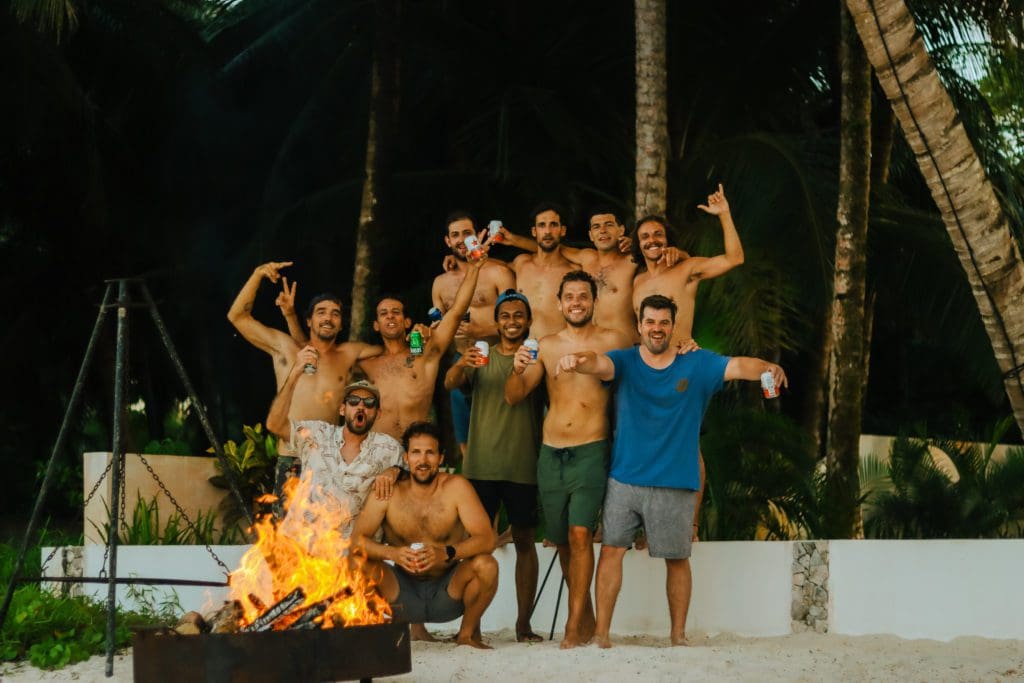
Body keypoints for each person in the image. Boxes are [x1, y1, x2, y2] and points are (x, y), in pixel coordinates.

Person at [555, 294, 787, 648]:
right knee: (611, 551)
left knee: (677, 560)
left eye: (664, 322)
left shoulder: (697, 363)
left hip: (675, 481)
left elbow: (739, 366)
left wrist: (768, 366)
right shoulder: (625, 360)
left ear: (673, 326)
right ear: (639, 325)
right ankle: (601, 634)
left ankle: (678, 636)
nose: (657, 328)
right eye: (650, 321)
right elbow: (598, 363)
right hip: (624, 479)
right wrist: (576, 359)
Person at [504, 270, 630, 649]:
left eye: (583, 296)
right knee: (560, 541)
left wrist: (686, 344)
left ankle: (573, 627)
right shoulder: (545, 345)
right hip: (551, 452)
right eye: (570, 297)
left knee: (580, 535)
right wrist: (516, 369)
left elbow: (645, 362)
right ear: (559, 303)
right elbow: (514, 395)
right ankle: (584, 615)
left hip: (591, 449)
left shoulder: (614, 340)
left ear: (594, 302)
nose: (576, 302)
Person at [631, 185, 745, 538]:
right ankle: (645, 523)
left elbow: (734, 259)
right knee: (645, 444)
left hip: (682, 364)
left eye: (658, 235)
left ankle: (691, 523)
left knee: (688, 445)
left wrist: (724, 214)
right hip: (646, 372)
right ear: (638, 244)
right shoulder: (636, 281)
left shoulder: (687, 268)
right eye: (645, 236)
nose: (652, 240)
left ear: (667, 239)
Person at [444, 289, 544, 642]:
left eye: (518, 315)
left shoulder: (534, 358)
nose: (512, 321)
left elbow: (521, 396)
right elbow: (450, 383)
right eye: (505, 316)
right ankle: (471, 626)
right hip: (480, 466)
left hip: (522, 465)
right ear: (497, 322)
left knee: (525, 542)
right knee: (476, 545)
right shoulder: (480, 356)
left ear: (528, 321)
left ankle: (523, 624)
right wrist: (462, 362)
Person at [351, 421, 498, 649]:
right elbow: (356, 541)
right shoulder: (389, 492)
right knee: (355, 564)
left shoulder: (457, 487)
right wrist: (394, 554)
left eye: (430, 452)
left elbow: (487, 539)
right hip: (401, 594)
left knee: (487, 565)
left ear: (440, 458)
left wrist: (447, 553)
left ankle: (467, 635)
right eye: (416, 452)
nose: (423, 460)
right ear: (406, 458)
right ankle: (377, 637)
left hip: (449, 592)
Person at [227, 261, 381, 431]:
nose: (328, 318)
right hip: (290, 447)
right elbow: (237, 317)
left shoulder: (349, 354)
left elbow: (390, 351)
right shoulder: (285, 347)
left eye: (335, 314)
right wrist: (257, 274)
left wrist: (409, 338)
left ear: (341, 326)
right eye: (321, 312)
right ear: (309, 321)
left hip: (327, 447)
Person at [499, 206, 685, 342]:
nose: (602, 230)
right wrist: (514, 240)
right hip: (590, 345)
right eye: (596, 227)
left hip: (626, 346)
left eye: (608, 225)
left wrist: (677, 253)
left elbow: (663, 256)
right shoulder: (586, 258)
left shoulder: (632, 259)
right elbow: (551, 247)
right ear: (590, 235)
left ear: (621, 230)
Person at [360, 247, 488, 440]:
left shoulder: (425, 355)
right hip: (379, 448)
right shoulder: (367, 364)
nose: (390, 316)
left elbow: (456, 312)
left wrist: (474, 269)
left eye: (396, 312)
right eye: (384, 313)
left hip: (416, 447)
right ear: (376, 325)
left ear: (407, 322)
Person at [265, 368, 404, 538]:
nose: (361, 406)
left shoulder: (389, 448)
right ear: (342, 409)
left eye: (369, 403)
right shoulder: (317, 433)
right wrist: (294, 375)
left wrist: (395, 470)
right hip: (300, 544)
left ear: (378, 414)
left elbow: (416, 472)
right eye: (353, 401)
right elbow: (275, 425)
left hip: (347, 549)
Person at [431, 211, 517, 459]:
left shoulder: (498, 273)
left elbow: (516, 323)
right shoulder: (440, 283)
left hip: (498, 360)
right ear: (447, 241)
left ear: (477, 235)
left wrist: (480, 330)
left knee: (503, 436)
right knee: (467, 442)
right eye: (455, 235)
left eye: (467, 233)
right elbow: (439, 327)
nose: (461, 239)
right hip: (461, 362)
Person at [506, 203, 582, 340]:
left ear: (562, 230)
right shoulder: (522, 263)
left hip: (557, 349)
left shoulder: (573, 272)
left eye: (553, 225)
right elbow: (497, 267)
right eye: (542, 225)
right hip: (521, 348)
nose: (547, 231)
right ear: (534, 231)